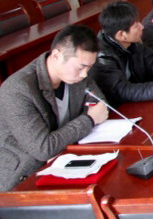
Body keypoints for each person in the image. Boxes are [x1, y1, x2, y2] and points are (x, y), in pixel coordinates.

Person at [0, 25, 109, 190]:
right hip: (23, 177)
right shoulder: (18, 90)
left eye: (89, 67)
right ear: (57, 55)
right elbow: (43, 148)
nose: (85, 74)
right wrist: (89, 119)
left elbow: (100, 105)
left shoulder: (76, 77)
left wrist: (90, 117)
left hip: (66, 159)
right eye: (81, 67)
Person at [92, 1, 153, 106]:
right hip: (119, 109)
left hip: (137, 102)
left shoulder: (133, 44)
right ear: (122, 35)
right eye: (136, 25)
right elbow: (123, 90)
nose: (142, 26)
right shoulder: (102, 57)